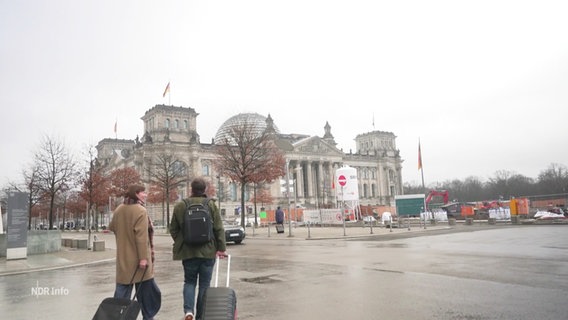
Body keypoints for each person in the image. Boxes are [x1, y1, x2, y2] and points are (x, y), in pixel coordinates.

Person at [170, 177, 227, 320]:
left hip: (188, 252)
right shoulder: (211, 205)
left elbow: (173, 229)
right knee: (204, 284)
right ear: (205, 190)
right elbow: (219, 228)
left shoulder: (180, 205)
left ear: (191, 189)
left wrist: (181, 240)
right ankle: (201, 315)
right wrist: (221, 248)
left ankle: (188, 311)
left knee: (189, 282)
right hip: (208, 251)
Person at [109, 183, 160, 320]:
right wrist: (143, 258)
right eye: (143, 192)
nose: (145, 194)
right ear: (137, 193)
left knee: (122, 293)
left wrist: (124, 238)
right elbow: (141, 237)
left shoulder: (119, 209)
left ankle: (117, 317)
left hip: (124, 258)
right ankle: (148, 317)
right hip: (139, 260)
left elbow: (112, 227)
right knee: (147, 293)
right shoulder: (140, 210)